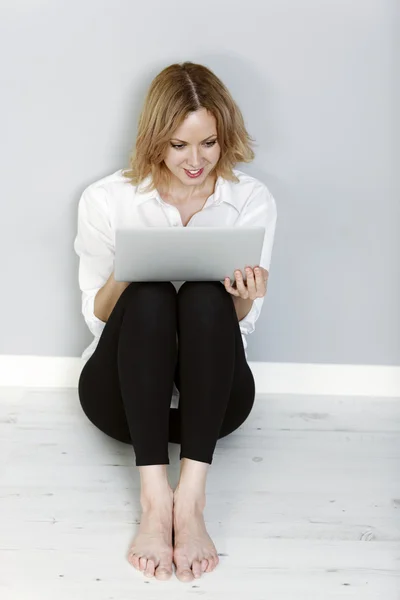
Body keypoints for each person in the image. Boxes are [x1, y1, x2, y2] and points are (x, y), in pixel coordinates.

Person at [74, 61, 277, 583]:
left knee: (207, 297)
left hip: (211, 410)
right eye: (180, 145)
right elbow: (96, 312)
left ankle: (189, 500)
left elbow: (236, 329)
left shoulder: (250, 201)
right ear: (156, 138)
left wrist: (244, 299)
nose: (196, 161)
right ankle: (153, 498)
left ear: (223, 137)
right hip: (121, 401)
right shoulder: (107, 199)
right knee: (149, 294)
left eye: (208, 144)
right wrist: (130, 270)